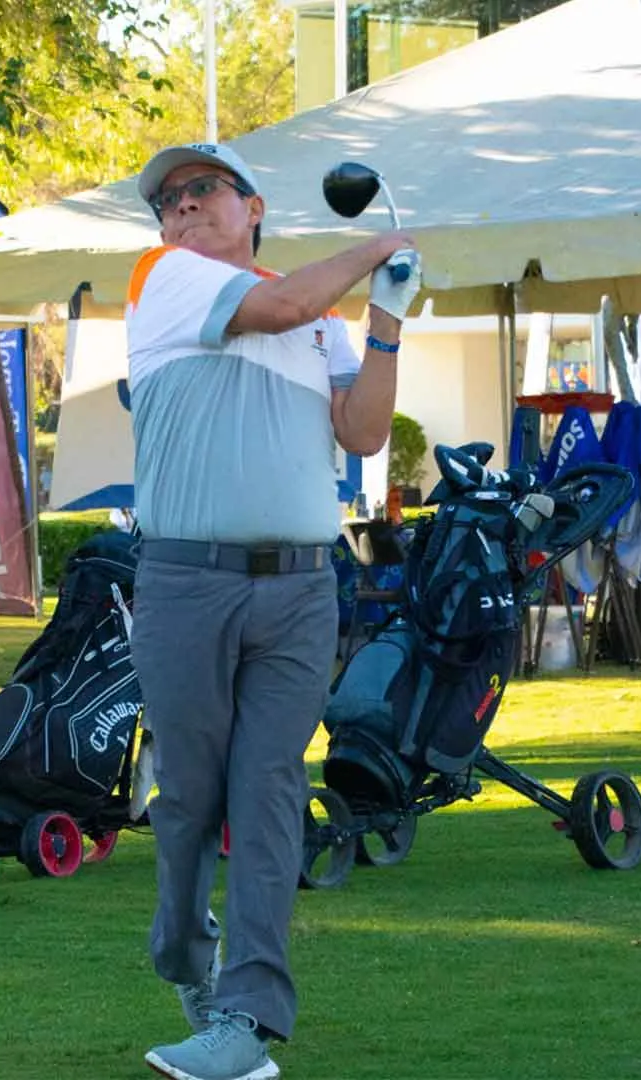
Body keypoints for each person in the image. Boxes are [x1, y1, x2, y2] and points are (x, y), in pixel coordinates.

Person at [124, 143, 420, 1080]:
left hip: (299, 589)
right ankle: (181, 943)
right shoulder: (166, 278)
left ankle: (245, 1023)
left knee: (268, 790)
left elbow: (364, 432)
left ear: (253, 207)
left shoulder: (321, 327)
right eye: (168, 200)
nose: (181, 209)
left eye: (202, 190)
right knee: (188, 800)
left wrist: (386, 321)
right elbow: (286, 300)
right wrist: (380, 249)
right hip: (184, 580)